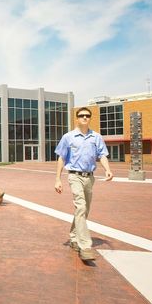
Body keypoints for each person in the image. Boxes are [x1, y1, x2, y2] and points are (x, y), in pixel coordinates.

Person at [54, 107, 113, 261]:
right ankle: (85, 246)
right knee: (80, 206)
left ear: (90, 118)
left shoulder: (96, 137)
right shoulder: (68, 137)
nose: (85, 118)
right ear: (77, 118)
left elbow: (103, 155)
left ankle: (74, 237)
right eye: (82, 116)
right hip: (74, 176)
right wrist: (58, 179)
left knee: (84, 210)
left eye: (87, 116)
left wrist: (107, 169)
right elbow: (61, 158)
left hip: (90, 178)